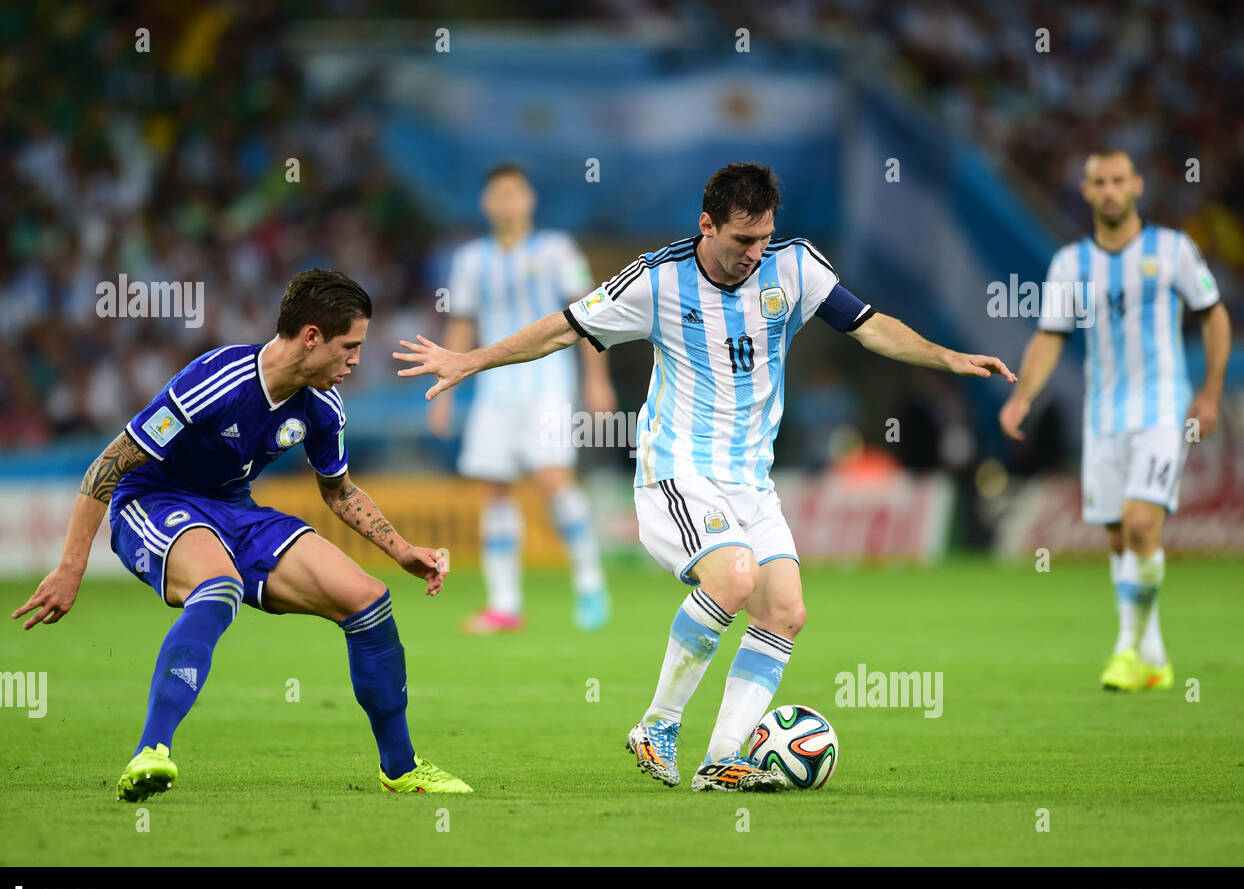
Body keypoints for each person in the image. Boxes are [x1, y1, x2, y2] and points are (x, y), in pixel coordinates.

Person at [397, 163, 1015, 791]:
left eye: (764, 238)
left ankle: (720, 759)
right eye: (742, 240)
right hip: (677, 471)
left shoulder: (796, 266)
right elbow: (563, 327)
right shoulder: (657, 280)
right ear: (707, 224)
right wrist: (470, 360)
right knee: (735, 576)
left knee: (784, 610)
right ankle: (657, 724)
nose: (755, 253)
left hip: (752, 481)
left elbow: (870, 325)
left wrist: (947, 357)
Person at [12, 269, 472, 799]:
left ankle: (401, 768)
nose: (356, 361)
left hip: (234, 510)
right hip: (155, 501)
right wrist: (72, 566)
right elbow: (110, 463)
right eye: (351, 346)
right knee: (219, 586)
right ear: (312, 336)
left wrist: (401, 550)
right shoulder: (217, 380)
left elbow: (339, 492)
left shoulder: (321, 405)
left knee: (368, 600)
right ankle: (151, 752)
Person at [999, 150, 1230, 692]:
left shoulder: (1171, 249)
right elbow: (1051, 335)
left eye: (1118, 180)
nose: (1108, 190)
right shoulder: (1070, 263)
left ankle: (1126, 650)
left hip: (1161, 410)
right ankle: (1153, 657)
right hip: (1103, 417)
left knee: (1142, 523)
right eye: (1098, 181)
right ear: (1085, 190)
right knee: (1120, 538)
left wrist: (1212, 391)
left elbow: (1214, 313)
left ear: (1137, 186)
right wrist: (1022, 397)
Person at [432, 163, 615, 633]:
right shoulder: (471, 259)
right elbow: (462, 323)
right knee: (494, 489)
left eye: (514, 193)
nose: (506, 202)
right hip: (494, 392)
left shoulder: (558, 250)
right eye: (498, 194)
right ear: (485, 203)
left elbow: (591, 315)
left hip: (547, 386)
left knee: (554, 480)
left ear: (529, 200)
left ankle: (591, 586)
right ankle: (505, 605)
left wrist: (597, 380)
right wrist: (445, 388)